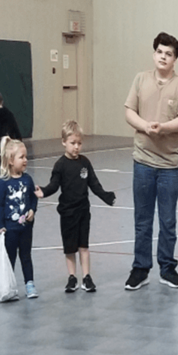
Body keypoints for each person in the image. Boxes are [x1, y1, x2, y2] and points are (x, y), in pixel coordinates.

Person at [123, 32, 178, 290]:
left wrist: (161, 128)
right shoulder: (140, 79)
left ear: (175, 60)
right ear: (154, 54)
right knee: (142, 220)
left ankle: (167, 268)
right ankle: (140, 269)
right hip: (142, 162)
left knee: (168, 220)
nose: (163, 57)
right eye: (160, 52)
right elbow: (129, 111)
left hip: (169, 166)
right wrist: (146, 126)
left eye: (169, 54)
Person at [36, 121, 117, 293]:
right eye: (73, 143)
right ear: (64, 142)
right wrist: (43, 191)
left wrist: (106, 196)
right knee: (70, 247)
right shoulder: (60, 165)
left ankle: (86, 277)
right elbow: (54, 185)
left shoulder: (85, 163)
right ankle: (72, 277)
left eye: (79, 143)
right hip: (67, 214)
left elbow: (94, 184)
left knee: (84, 246)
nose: (76, 147)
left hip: (83, 212)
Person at [0, 137, 40, 298]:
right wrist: (0, 225)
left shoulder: (27, 180)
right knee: (10, 258)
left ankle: (30, 284)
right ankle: (9, 287)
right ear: (11, 160)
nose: (25, 160)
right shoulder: (3, 183)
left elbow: (33, 198)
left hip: (26, 229)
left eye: (26, 157)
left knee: (26, 256)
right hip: (10, 230)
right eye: (22, 157)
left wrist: (33, 211)